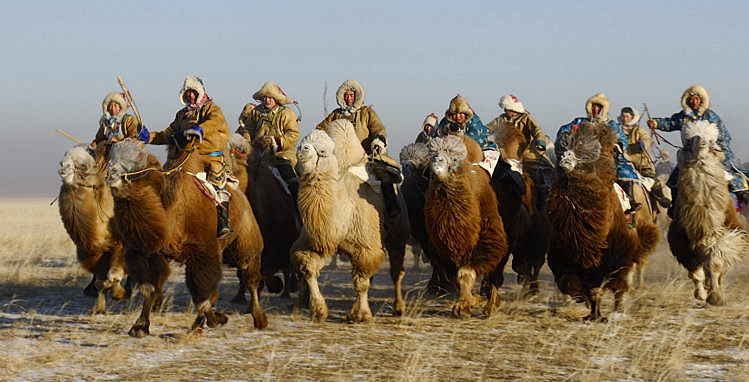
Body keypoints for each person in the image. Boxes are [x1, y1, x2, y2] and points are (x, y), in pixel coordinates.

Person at [146, 76, 232, 238]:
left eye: (193, 92)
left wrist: (200, 129)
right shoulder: (182, 115)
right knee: (163, 180)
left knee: (217, 182)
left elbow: (216, 122)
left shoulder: (212, 109)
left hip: (210, 157)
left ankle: (223, 221)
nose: (191, 96)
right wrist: (148, 137)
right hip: (184, 159)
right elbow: (167, 134)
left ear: (199, 93)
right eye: (188, 93)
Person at [647, 85, 748, 208]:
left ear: (701, 100)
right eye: (691, 99)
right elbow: (670, 123)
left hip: (709, 153)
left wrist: (715, 150)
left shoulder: (710, 116)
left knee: (726, 177)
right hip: (689, 156)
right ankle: (675, 209)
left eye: (697, 99)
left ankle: (735, 203)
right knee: (674, 182)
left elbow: (723, 136)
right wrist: (656, 123)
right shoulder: (683, 116)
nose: (694, 102)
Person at [316, 79, 401, 218]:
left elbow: (378, 128)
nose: (349, 98)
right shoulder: (336, 114)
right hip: (339, 158)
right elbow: (321, 128)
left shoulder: (367, 112)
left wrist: (378, 139)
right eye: (346, 95)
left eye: (351, 95)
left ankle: (392, 208)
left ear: (356, 96)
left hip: (364, 157)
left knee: (383, 174)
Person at [556, 93, 641, 212]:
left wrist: (618, 146)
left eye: (599, 106)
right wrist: (566, 134)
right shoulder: (580, 121)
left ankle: (629, 200)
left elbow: (621, 138)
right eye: (593, 106)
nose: (595, 109)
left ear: (604, 108)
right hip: (582, 157)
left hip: (605, 157)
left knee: (625, 171)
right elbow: (564, 129)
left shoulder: (611, 124)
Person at [487, 94, 552, 211]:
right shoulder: (501, 119)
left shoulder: (525, 119)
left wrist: (540, 142)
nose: (506, 111)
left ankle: (541, 201)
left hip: (526, 152)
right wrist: (481, 134)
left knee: (535, 173)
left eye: (508, 109)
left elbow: (537, 130)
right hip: (505, 152)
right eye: (505, 109)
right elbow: (488, 128)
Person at [236, 81, 300, 196]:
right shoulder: (256, 112)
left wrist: (276, 142)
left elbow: (293, 135)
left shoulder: (287, 113)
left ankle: (296, 205)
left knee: (288, 174)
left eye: (270, 97)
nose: (267, 100)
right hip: (257, 153)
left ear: (276, 98)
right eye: (265, 97)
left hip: (281, 154)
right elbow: (248, 130)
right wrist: (248, 145)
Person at [619, 107, 670, 208]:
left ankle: (661, 198)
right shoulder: (618, 130)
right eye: (623, 116)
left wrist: (641, 144)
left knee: (652, 179)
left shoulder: (637, 130)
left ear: (632, 117)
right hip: (622, 163)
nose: (624, 119)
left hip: (640, 163)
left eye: (627, 116)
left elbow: (647, 139)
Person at [91, 92, 149, 160]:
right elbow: (99, 139)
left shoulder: (129, 120)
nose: (112, 108)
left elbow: (135, 137)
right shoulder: (106, 123)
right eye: (110, 106)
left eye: (115, 106)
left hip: (126, 156)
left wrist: (124, 144)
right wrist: (92, 147)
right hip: (109, 156)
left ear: (120, 107)